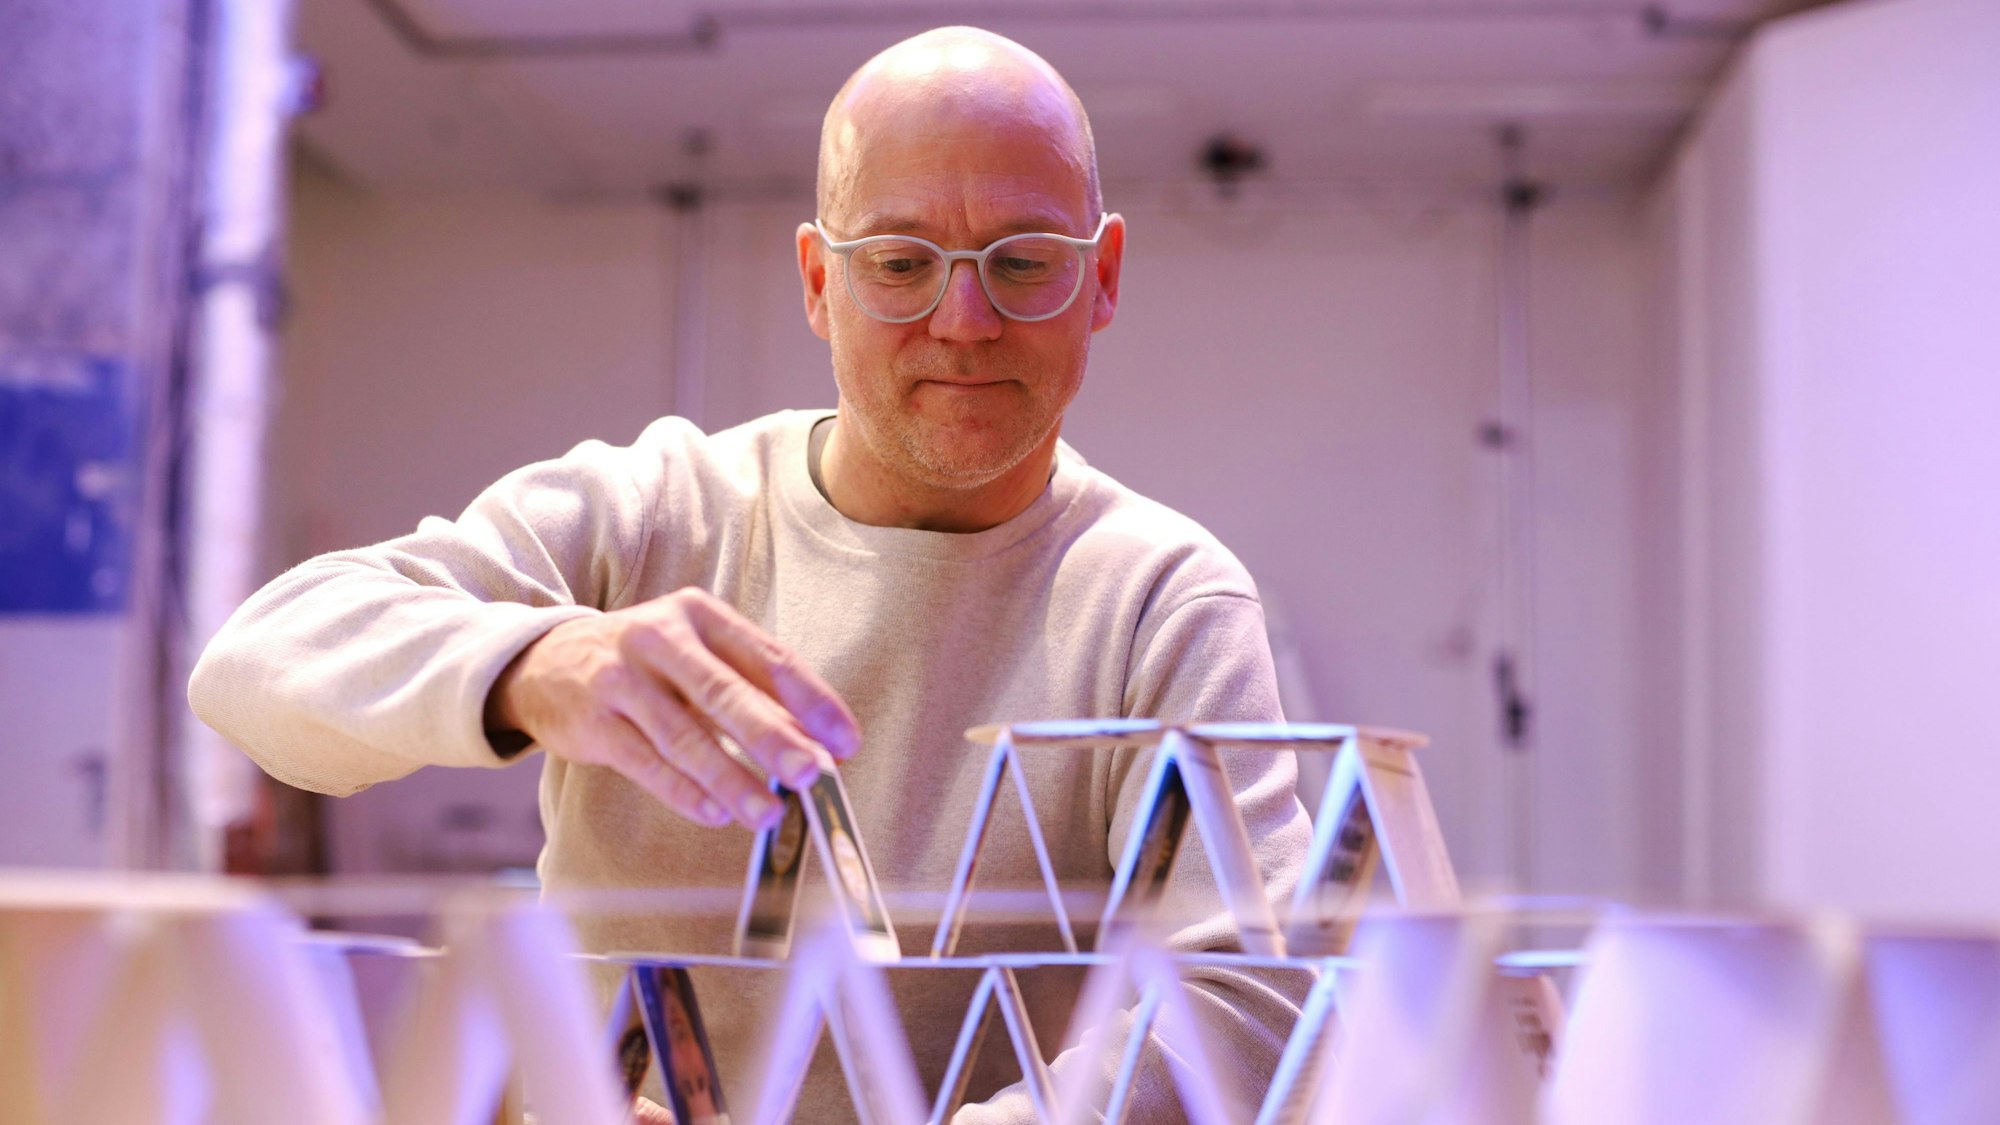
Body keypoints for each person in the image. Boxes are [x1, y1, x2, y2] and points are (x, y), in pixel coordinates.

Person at [189, 25, 1311, 1123]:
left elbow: (1248, 995)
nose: (962, 321)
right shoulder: (649, 514)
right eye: (899, 263)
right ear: (820, 281)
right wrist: (534, 660)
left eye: (1021, 263)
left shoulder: (1162, 599)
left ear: (1101, 278)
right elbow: (252, 671)